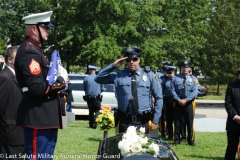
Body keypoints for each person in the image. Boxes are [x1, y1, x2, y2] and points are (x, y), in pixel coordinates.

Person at [14, 11, 68, 159]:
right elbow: (38, 88)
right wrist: (62, 81)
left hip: (43, 118)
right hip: (38, 118)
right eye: (45, 27)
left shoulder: (36, 50)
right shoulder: (29, 52)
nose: (49, 30)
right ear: (33, 29)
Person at [94, 47, 163, 133]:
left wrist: (155, 120)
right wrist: (113, 66)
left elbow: (159, 97)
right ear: (125, 61)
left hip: (143, 121)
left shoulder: (149, 75)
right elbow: (98, 78)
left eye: (134, 59)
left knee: (144, 146)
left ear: (139, 60)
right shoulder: (118, 75)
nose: (131, 62)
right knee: (124, 146)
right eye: (128, 60)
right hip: (125, 121)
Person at [0, 46, 24, 160]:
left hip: (17, 131)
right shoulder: (5, 77)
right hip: (9, 131)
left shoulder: (16, 76)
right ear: (10, 60)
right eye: (19, 57)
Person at [170, 60, 198, 146]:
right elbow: (172, 90)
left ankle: (191, 140)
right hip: (178, 102)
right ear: (181, 68)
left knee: (189, 122)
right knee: (177, 121)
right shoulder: (175, 78)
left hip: (188, 103)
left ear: (189, 68)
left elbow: (195, 92)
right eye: (183, 67)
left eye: (186, 67)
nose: (185, 69)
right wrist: (178, 100)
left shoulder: (194, 79)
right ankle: (177, 139)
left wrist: (186, 100)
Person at [225, 67, 240, 159]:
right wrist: (236, 117)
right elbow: (228, 103)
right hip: (233, 122)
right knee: (231, 147)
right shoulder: (231, 86)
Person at [157, 61, 172, 138]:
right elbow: (159, 88)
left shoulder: (172, 75)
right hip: (163, 98)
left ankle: (170, 133)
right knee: (162, 116)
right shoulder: (159, 75)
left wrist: (170, 76)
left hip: (171, 99)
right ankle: (163, 131)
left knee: (170, 117)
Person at [163, 65, 176, 140]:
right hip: (168, 100)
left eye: (170, 72)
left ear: (173, 72)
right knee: (168, 119)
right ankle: (170, 135)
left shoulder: (177, 79)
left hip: (175, 101)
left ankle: (177, 135)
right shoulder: (165, 80)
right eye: (168, 72)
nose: (169, 74)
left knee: (177, 120)